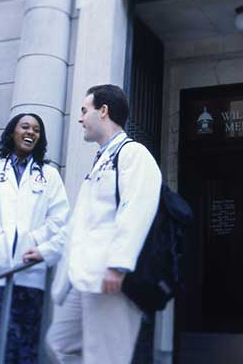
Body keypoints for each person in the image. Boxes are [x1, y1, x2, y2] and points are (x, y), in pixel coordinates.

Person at [46, 84, 162, 364]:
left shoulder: (134, 154)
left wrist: (118, 264)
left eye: (85, 110)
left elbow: (137, 209)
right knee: (58, 343)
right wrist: (46, 252)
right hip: (85, 276)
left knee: (106, 356)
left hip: (111, 277)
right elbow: (81, 223)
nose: (80, 118)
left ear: (104, 111)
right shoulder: (100, 161)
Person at [0, 112, 70, 364]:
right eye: (25, 127)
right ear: (12, 132)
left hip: (29, 272)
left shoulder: (49, 176)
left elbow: (60, 220)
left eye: (36, 129)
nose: (30, 132)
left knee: (23, 345)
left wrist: (34, 241)